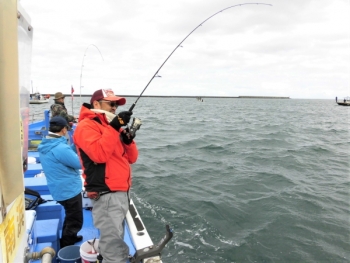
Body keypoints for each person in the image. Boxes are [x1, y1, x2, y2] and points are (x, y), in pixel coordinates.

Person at [73, 88, 138, 263]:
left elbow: (132, 158)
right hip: (107, 193)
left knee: (115, 238)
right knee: (112, 248)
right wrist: (115, 126)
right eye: (111, 103)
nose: (114, 108)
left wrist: (128, 141)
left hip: (121, 192)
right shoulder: (86, 126)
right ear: (96, 104)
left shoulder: (109, 127)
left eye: (116, 105)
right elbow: (98, 154)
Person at [37, 116, 83, 248]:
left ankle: (71, 237)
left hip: (58, 189)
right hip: (69, 190)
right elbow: (78, 164)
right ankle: (67, 246)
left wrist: (74, 146)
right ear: (63, 130)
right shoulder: (60, 148)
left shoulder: (47, 143)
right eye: (67, 129)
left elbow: (64, 154)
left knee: (70, 215)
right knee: (75, 220)